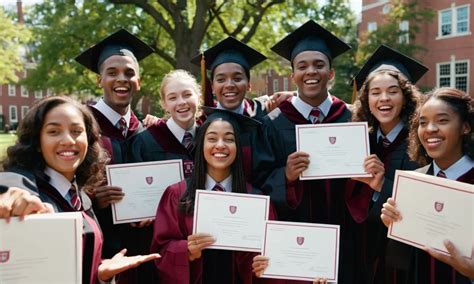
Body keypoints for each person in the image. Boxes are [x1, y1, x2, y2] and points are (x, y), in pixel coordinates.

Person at [0, 96, 159, 283]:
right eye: (53, 131)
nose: (68, 140)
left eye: (76, 131)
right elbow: (12, 185)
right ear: (37, 143)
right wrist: (10, 196)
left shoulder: (80, 195)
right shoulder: (26, 184)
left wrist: (100, 274)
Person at [255, 20, 357, 283]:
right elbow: (258, 180)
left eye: (319, 65)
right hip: (292, 241)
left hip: (344, 238)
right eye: (302, 66)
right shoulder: (272, 123)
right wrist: (285, 176)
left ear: (331, 73)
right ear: (293, 76)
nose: (311, 71)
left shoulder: (351, 119)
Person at [150, 111, 277, 283]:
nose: (220, 145)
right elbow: (161, 251)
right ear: (201, 144)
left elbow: (269, 255)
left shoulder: (256, 200)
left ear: (238, 147)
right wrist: (186, 250)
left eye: (229, 139)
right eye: (212, 138)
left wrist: (262, 264)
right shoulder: (177, 194)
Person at [74, 28, 159, 284]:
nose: (121, 79)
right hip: (102, 251)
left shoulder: (149, 130)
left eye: (129, 73)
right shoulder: (81, 127)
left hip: (146, 249)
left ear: (139, 82)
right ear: (99, 80)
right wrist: (89, 198)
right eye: (112, 73)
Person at [346, 45, 427, 283]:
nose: (384, 99)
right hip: (363, 252)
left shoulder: (421, 143)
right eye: (375, 92)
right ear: (366, 99)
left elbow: (425, 202)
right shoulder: (359, 142)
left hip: (406, 257)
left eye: (393, 91)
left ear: (406, 97)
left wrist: (382, 186)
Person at [380, 87, 473, 283]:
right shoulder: (413, 183)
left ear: (465, 127)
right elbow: (400, 265)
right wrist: (395, 227)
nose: (430, 129)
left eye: (442, 120)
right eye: (423, 123)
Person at [129, 69, 201, 178]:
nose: (181, 102)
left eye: (187, 95)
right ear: (164, 104)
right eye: (172, 98)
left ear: (199, 98)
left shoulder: (209, 138)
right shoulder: (145, 142)